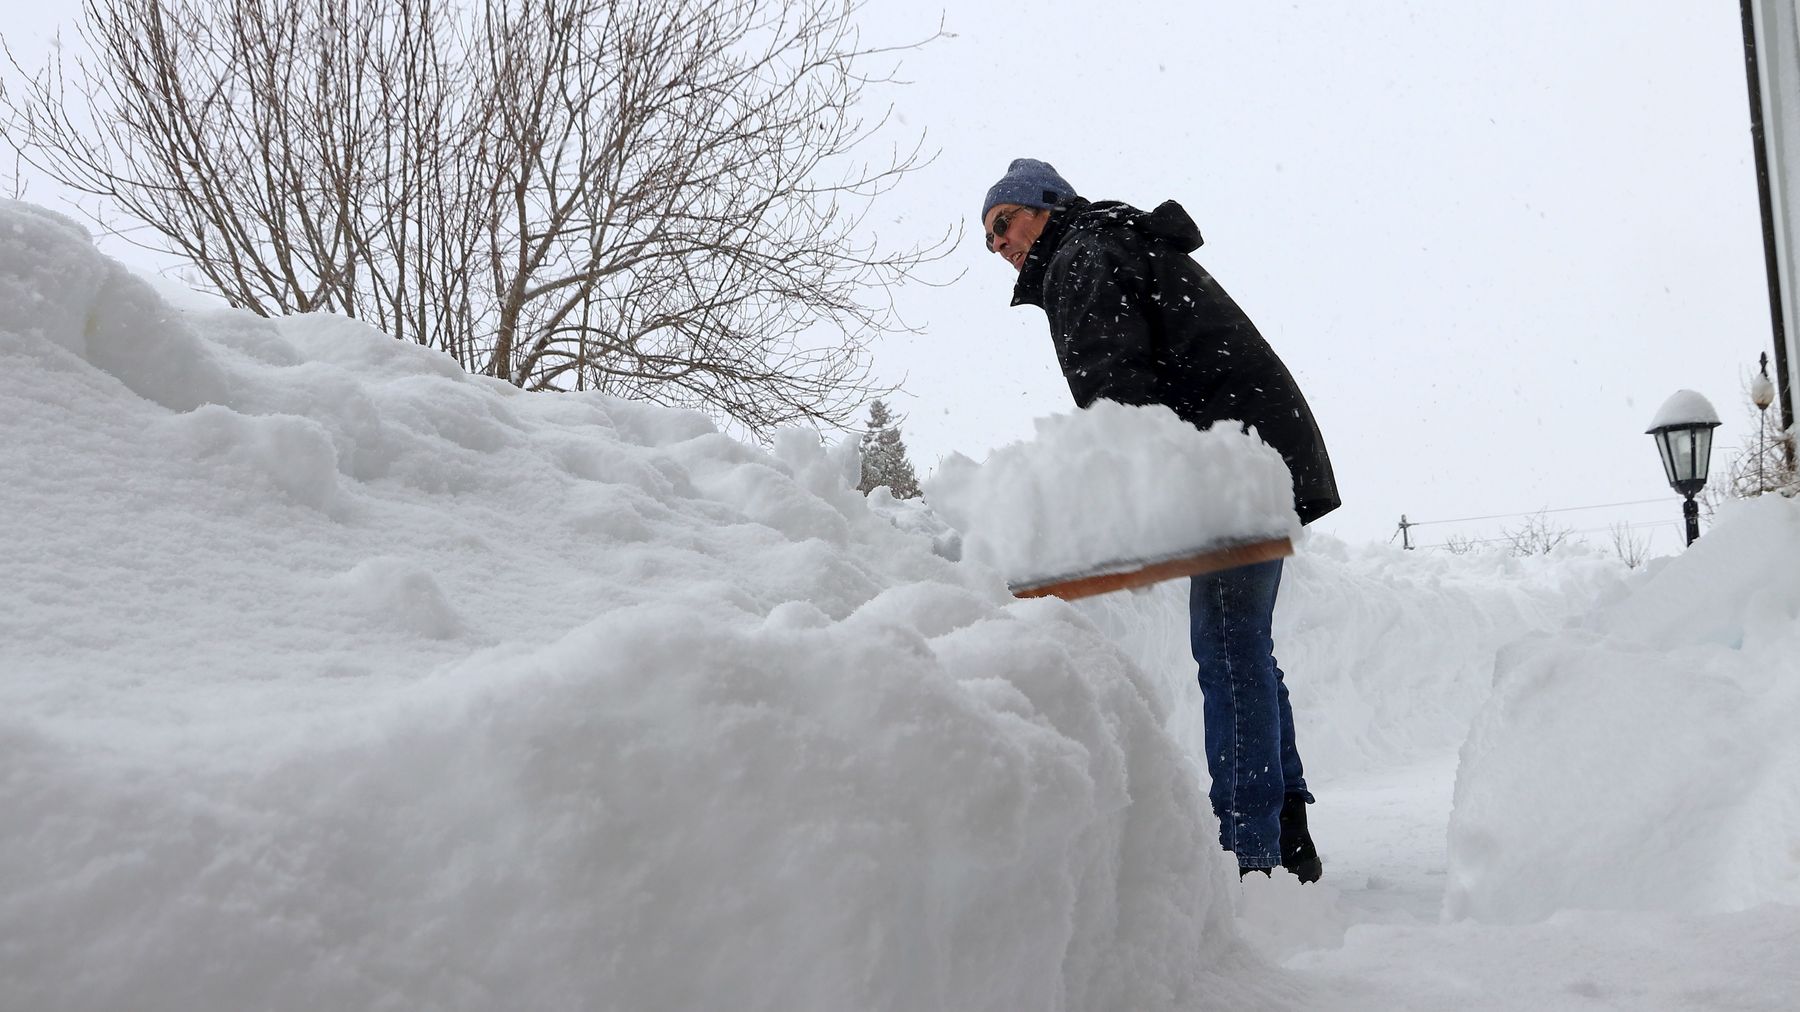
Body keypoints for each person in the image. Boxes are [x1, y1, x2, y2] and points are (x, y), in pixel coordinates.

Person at [980, 158, 1340, 881]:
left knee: (1229, 649)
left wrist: (1100, 511)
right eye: (990, 242)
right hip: (1253, 454)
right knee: (1244, 647)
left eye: (1003, 224)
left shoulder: (1082, 256)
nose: (999, 246)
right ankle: (1284, 830)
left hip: (1235, 465)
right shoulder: (1110, 242)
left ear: (1046, 206)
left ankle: (1253, 854)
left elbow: (1117, 396)